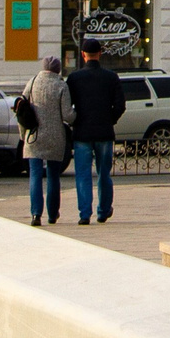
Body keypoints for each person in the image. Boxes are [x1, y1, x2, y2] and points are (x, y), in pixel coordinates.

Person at [62, 40, 123, 226]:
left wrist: (75, 120)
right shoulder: (111, 77)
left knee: (83, 174)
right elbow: (120, 105)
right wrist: (110, 119)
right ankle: (103, 211)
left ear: (83, 54)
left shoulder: (74, 78)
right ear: (100, 53)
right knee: (104, 173)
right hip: (104, 131)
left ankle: (84, 214)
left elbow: (68, 105)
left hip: (82, 132)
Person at [16, 56, 70, 226]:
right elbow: (67, 114)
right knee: (54, 175)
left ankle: (36, 214)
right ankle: (53, 214)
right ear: (58, 69)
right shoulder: (61, 85)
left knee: (35, 175)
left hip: (34, 136)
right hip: (55, 137)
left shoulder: (32, 83)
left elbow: (21, 110)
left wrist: (22, 135)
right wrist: (77, 119)